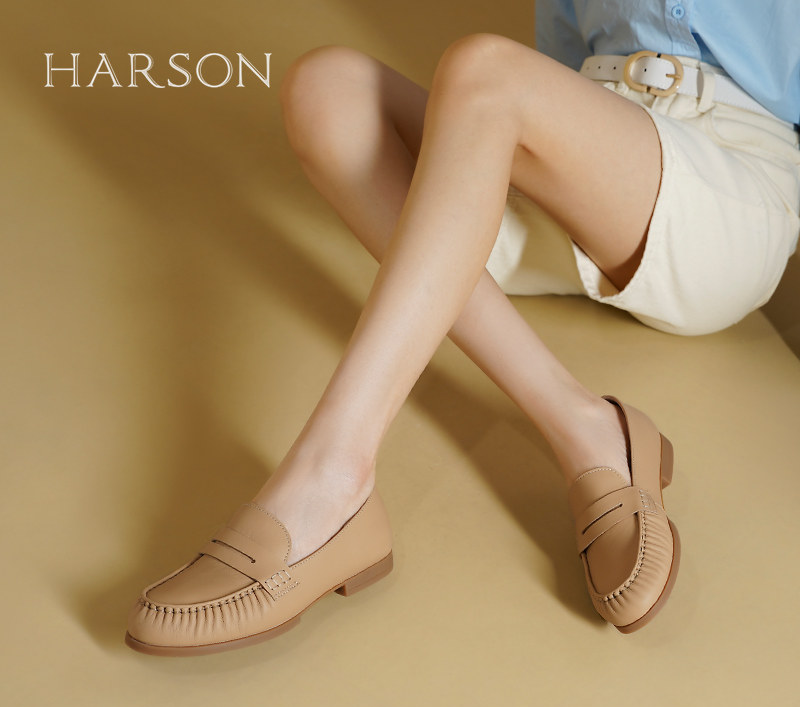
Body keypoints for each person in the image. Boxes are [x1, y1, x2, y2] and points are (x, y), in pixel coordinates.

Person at [125, 1, 800, 654]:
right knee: (326, 89)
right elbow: (561, 53)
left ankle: (331, 477)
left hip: (727, 187)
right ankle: (585, 424)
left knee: (486, 69)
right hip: (587, 162)